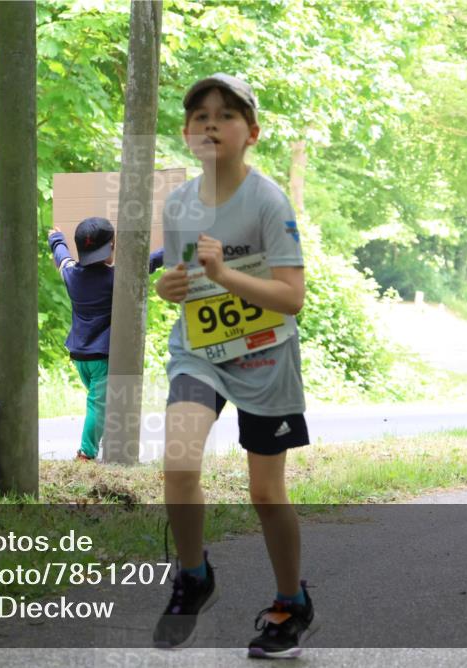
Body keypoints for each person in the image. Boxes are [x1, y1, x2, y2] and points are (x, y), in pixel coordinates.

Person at [151, 74, 313, 658]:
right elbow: (183, 283)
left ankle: (290, 602)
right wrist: (172, 287)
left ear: (253, 133)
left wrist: (225, 276)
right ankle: (194, 575)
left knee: (266, 493)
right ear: (187, 133)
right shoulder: (177, 204)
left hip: (266, 358)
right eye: (200, 116)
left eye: (226, 115)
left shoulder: (268, 200)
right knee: (177, 461)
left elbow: (291, 296)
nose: (211, 124)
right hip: (200, 354)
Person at [47, 217, 164, 461]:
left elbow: (62, 257)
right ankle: (86, 453)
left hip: (80, 356)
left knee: (103, 404)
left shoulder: (71, 275)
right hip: (102, 356)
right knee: (98, 406)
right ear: (113, 245)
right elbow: (149, 262)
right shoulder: (116, 279)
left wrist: (56, 239)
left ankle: (110, 445)